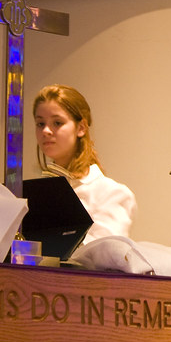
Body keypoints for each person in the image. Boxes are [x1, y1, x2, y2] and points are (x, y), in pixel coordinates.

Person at [32, 84, 136, 244]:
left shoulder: (112, 193)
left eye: (57, 123)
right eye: (40, 124)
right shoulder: (34, 193)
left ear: (81, 128)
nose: (46, 130)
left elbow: (107, 254)